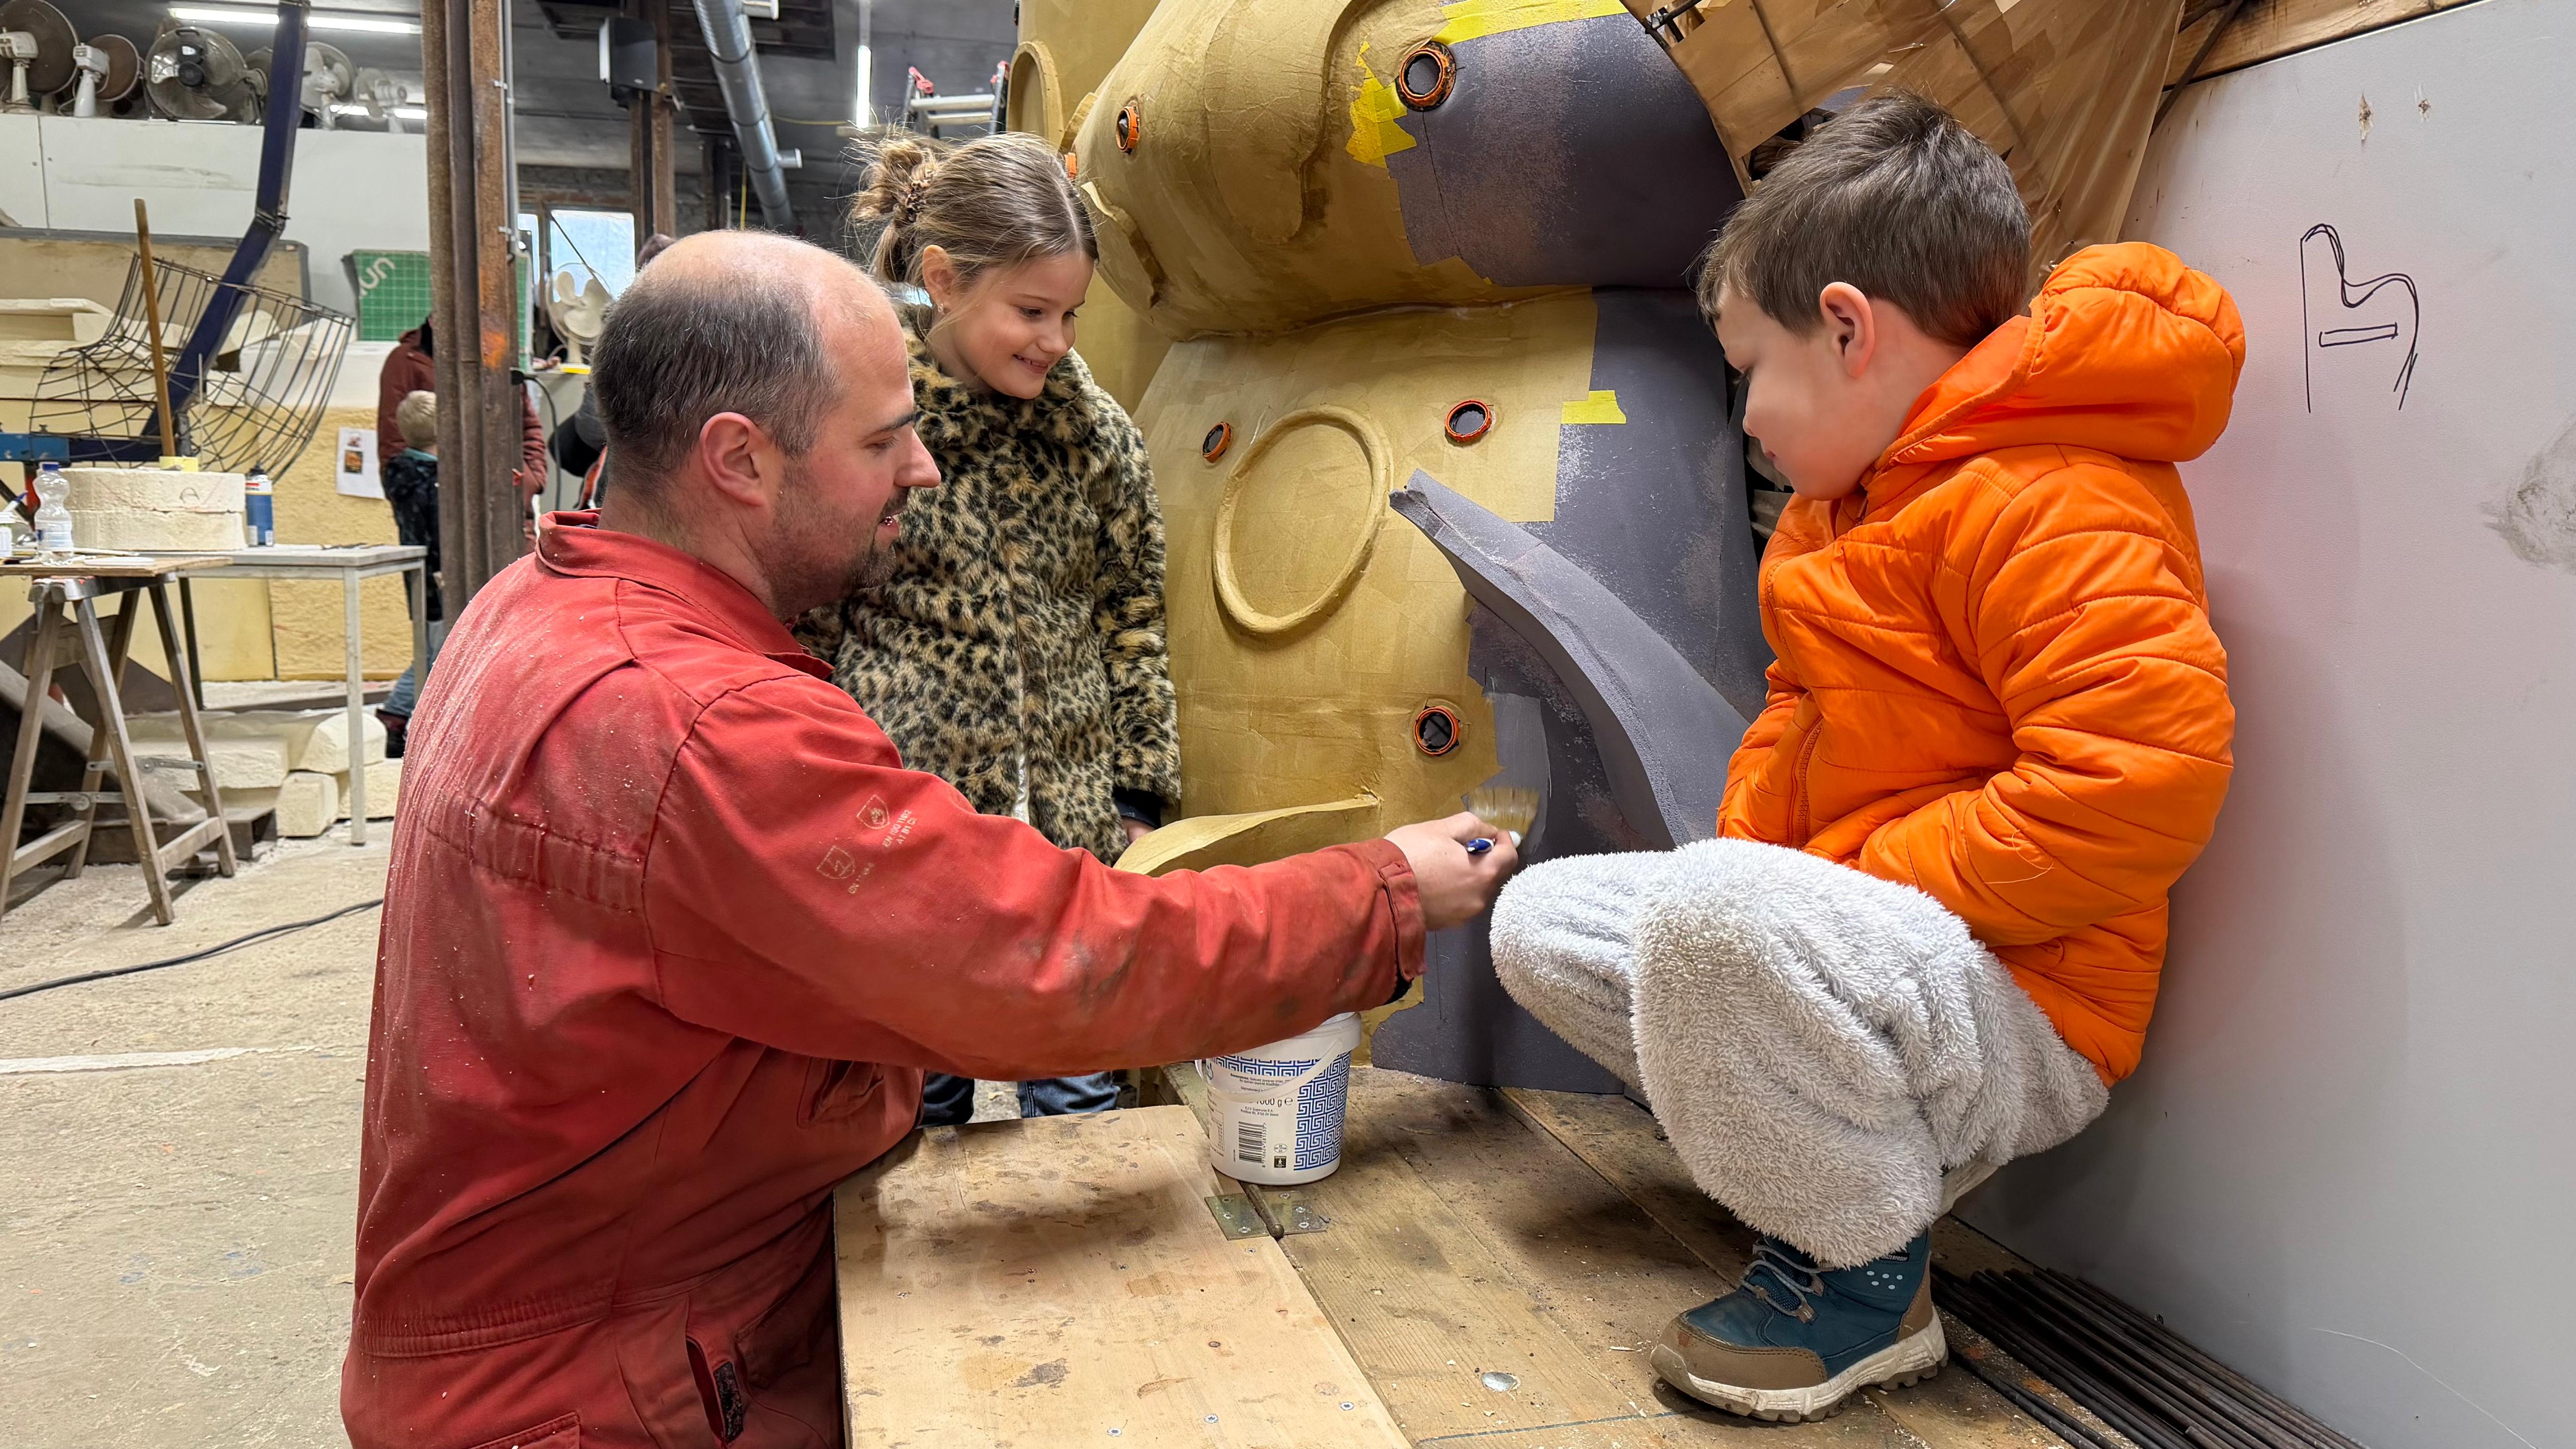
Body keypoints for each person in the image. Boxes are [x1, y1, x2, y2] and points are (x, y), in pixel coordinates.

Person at [341, 228, 1518, 1449]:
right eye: (882, 438)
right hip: (612, 1392)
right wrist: (1381, 893)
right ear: (737, 459)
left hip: (581, 1321)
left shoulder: (537, 599)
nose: (925, 471)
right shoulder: (702, 726)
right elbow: (1053, 958)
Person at [1490, 91, 2240, 1422]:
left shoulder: (2052, 498)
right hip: (1893, 964)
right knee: (1546, 919)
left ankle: (1858, 1283)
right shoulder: (1847, 511)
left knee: (1716, 919)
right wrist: (1758, 893)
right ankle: (1815, 1147)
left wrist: (1826, 887)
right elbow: (1794, 728)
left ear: (1848, 328)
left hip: (2022, 1006)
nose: (1747, 420)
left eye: (1752, 371)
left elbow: (2139, 784)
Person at [792, 132, 1169, 1126]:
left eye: (1071, 314)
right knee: (917, 1090)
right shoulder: (874, 432)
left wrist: (1137, 793)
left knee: (1084, 1084)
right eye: (1031, 312)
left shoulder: (1095, 441)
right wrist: (828, 799)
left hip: (1071, 837)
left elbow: (1132, 613)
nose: (1056, 340)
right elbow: (814, 621)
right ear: (944, 279)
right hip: (915, 836)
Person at [373, 316, 546, 494]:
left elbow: (528, 424)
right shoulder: (406, 361)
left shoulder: (496, 357)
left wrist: (534, 479)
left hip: (508, 493)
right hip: (438, 496)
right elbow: (392, 432)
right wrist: (405, 490)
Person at [376, 390, 443, 756]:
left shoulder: (400, 473)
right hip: (441, 581)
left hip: (421, 583)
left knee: (429, 652)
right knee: (436, 656)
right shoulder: (433, 481)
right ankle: (398, 715)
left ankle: (397, 715)